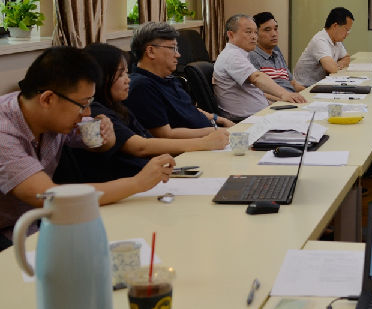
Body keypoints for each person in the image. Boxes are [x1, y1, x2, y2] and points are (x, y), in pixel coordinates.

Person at [0, 47, 175, 250]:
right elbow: (49, 196)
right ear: (47, 99)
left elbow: (96, 143)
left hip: (33, 226)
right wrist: (137, 183)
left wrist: (107, 135)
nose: (87, 113)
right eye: (83, 104)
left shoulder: (52, 115)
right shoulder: (4, 132)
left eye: (90, 103)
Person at [64, 43, 230, 182]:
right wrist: (204, 143)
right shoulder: (96, 112)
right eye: (120, 74)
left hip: (152, 176)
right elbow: (141, 147)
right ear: (100, 78)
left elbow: (147, 140)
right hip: (132, 186)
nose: (127, 79)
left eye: (126, 72)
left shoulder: (119, 107)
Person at [126, 22, 234, 138]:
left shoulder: (169, 79)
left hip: (214, 135)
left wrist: (218, 119)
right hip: (198, 144)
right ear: (151, 51)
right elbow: (165, 135)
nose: (178, 55)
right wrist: (216, 131)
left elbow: (188, 109)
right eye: (172, 48)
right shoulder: (142, 87)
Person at [215, 14, 306, 120]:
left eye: (255, 32)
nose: (254, 37)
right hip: (246, 120)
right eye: (248, 32)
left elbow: (256, 93)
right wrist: (285, 94)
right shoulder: (232, 56)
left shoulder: (241, 54)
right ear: (231, 35)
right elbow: (256, 78)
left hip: (262, 114)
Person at [248, 11, 305, 100]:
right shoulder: (252, 56)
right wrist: (284, 99)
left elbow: (292, 83)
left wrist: (310, 93)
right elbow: (256, 92)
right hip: (278, 102)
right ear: (255, 34)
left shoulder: (277, 54)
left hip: (291, 98)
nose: (274, 34)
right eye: (267, 30)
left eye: (275, 29)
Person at [293, 7, 354, 86]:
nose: (347, 34)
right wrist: (337, 66)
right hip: (305, 87)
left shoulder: (336, 40)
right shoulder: (320, 40)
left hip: (321, 84)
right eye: (346, 29)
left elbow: (347, 58)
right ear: (335, 26)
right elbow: (331, 68)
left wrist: (339, 65)